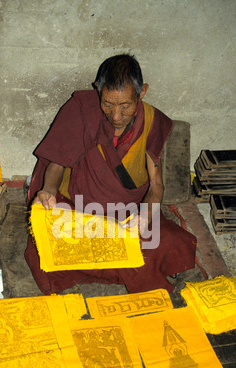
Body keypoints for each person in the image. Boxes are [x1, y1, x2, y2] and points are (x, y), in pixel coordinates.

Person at [25, 54, 197, 295]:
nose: (116, 116)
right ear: (97, 89)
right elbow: (56, 163)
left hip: (125, 216)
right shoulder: (82, 109)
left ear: (142, 92)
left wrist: (145, 216)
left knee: (167, 243)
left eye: (125, 105)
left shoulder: (151, 122)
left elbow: (156, 184)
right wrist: (48, 191)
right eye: (107, 103)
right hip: (77, 211)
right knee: (43, 247)